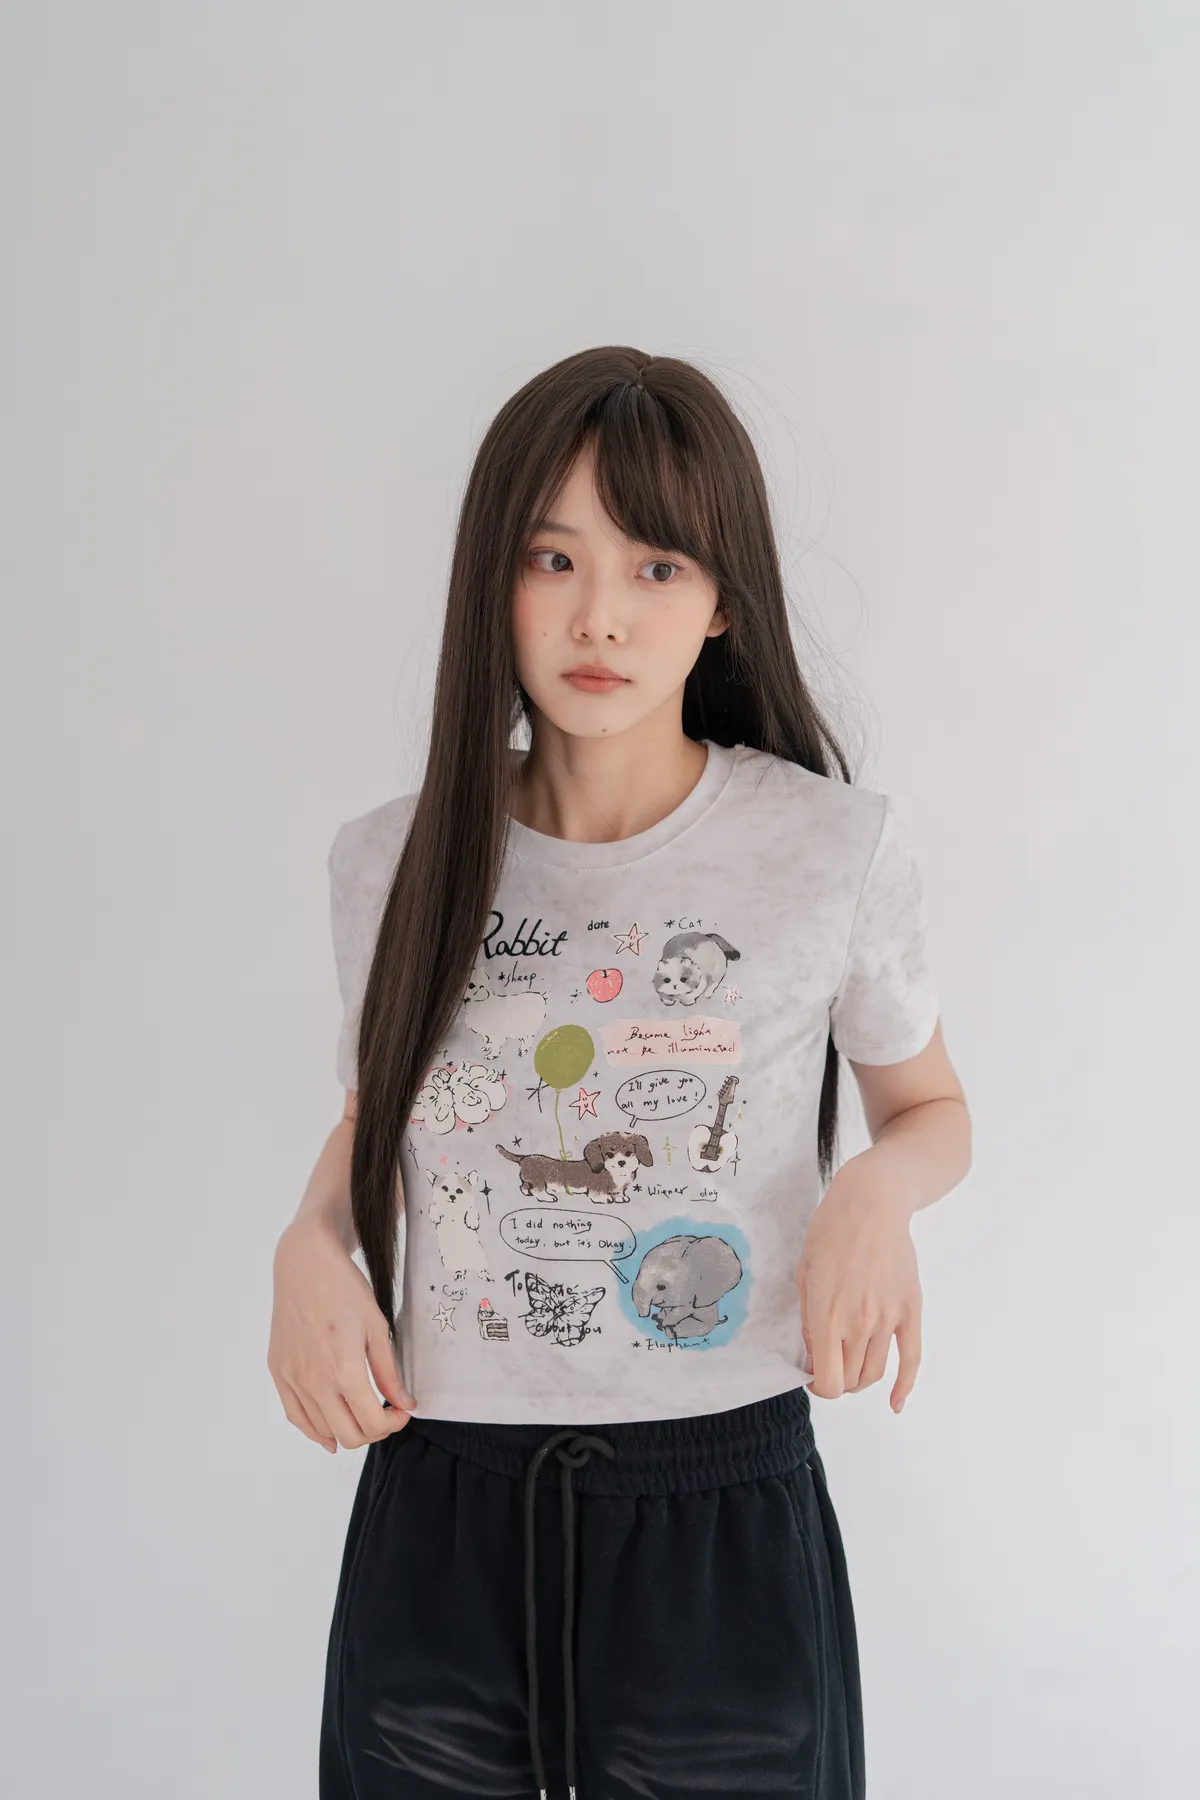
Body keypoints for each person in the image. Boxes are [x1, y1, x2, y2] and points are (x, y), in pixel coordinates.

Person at [268, 346, 972, 1800]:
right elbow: (383, 1116)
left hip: (716, 1508)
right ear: (493, 583)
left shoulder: (827, 848)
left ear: (723, 602)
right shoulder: (391, 861)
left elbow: (931, 1112)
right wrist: (308, 1243)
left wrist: (874, 1197)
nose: (600, 614)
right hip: (440, 1503)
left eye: (657, 565)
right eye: (553, 558)